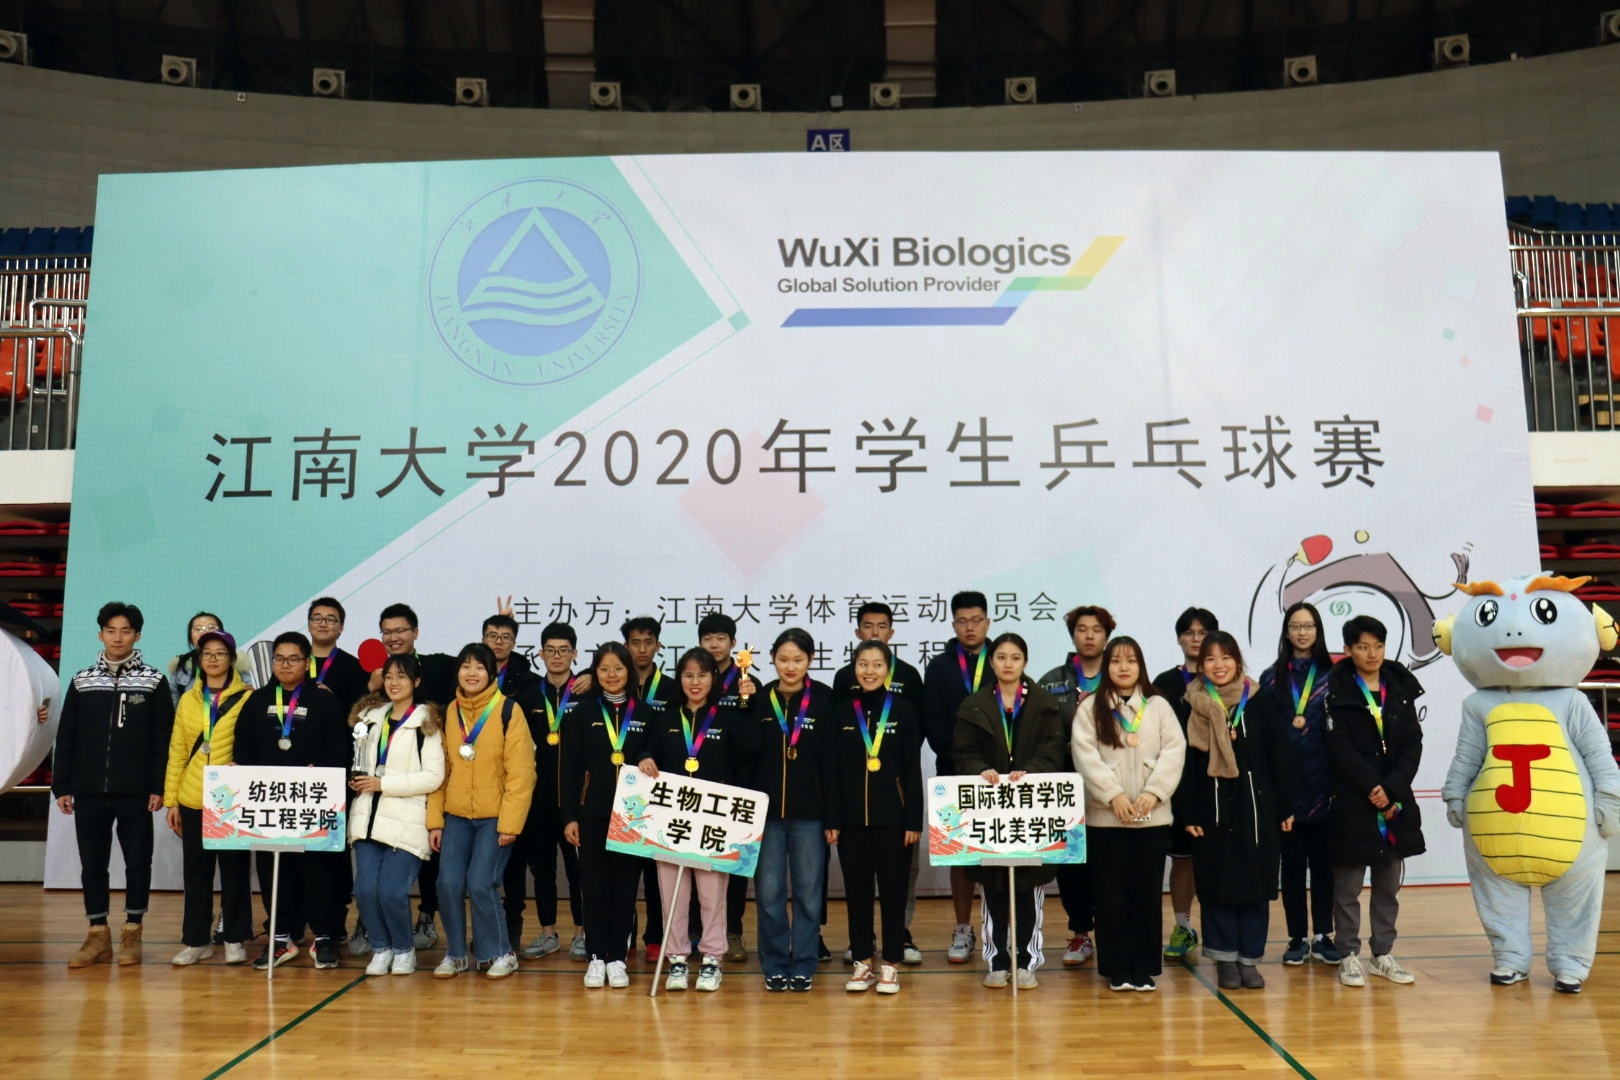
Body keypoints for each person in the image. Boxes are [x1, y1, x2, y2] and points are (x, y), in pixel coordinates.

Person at [54, 601, 175, 968]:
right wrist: (62, 786)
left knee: (138, 862)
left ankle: (132, 931)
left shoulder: (153, 681)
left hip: (136, 791)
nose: (118, 637)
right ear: (100, 634)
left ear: (137, 636)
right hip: (88, 789)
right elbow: (67, 735)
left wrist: (158, 786)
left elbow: (163, 739)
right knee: (93, 864)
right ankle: (97, 934)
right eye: (111, 631)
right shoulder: (82, 680)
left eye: (125, 631)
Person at [1174, 631, 1296, 990]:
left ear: (1237, 661)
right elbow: (1183, 765)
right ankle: (1225, 960)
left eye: (1226, 657)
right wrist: (1189, 813)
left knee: (1255, 886)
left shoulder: (1258, 700)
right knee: (1217, 885)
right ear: (1201, 665)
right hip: (1210, 809)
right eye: (1210, 659)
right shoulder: (1190, 705)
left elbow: (1281, 756)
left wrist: (1286, 806)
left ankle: (1249, 960)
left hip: (1256, 809)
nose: (1219, 665)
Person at [954, 631, 1068, 989]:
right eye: (1001, 657)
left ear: (1025, 662)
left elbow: (1054, 749)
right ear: (991, 662)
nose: (1008, 663)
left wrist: (1031, 771)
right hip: (990, 814)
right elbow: (962, 752)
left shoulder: (1044, 703)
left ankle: (1027, 963)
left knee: (1028, 890)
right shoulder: (974, 705)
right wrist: (979, 770)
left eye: (1015, 658)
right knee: (993, 890)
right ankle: (996, 962)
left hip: (1029, 812)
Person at [1071, 636, 1185, 991]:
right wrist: (1113, 795)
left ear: (1141, 666)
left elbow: (1174, 751)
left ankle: (1144, 967)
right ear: (1107, 666)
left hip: (1151, 817)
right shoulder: (1090, 707)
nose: (1124, 667)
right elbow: (1085, 756)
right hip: (1107, 819)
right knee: (1110, 895)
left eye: (1131, 661)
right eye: (1117, 661)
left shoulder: (1158, 705)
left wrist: (1153, 793)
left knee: (1146, 894)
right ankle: (1117, 968)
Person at [233, 631, 349, 970]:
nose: (285, 665)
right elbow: (243, 744)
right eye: (279, 659)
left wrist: (319, 768)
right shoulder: (257, 700)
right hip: (268, 804)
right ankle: (281, 938)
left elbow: (338, 747)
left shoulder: (324, 699)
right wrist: (244, 772)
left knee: (318, 870)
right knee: (274, 870)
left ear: (306, 662)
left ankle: (323, 937)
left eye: (293, 659)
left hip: (311, 802)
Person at [636, 647, 747, 992]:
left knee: (712, 895)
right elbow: (646, 749)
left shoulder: (727, 717)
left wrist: (748, 703)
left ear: (714, 678)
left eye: (702, 675)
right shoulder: (667, 718)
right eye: (688, 675)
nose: (694, 682)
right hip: (671, 820)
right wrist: (645, 757)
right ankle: (677, 959)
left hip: (713, 820)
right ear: (679, 679)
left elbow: (751, 749)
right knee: (673, 894)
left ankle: (712, 959)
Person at [1325, 615, 1425, 989]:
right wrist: (1373, 788)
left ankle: (1382, 954)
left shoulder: (1399, 687)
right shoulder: (1336, 691)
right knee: (1348, 887)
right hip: (1353, 802)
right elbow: (1340, 749)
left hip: (1394, 804)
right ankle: (1348, 955)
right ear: (1348, 650)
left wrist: (1392, 789)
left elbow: (1412, 744)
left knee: (1388, 886)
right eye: (1363, 647)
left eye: (1378, 646)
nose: (1372, 654)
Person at [427, 643, 535, 980]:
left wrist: (510, 824)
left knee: (481, 883)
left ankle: (501, 952)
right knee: (447, 884)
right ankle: (456, 954)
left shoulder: (508, 710)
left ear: (492, 673)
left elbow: (522, 773)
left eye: (479, 667)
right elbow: (441, 770)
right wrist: (435, 821)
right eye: (466, 666)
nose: (471, 673)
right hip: (456, 816)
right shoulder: (450, 711)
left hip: (495, 817)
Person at [827, 601, 925, 966]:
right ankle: (862, 960)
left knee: (894, 892)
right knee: (857, 893)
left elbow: (912, 767)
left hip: (894, 819)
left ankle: (893, 962)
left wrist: (913, 819)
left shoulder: (903, 710)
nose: (870, 671)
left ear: (888, 669)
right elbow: (834, 770)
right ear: (854, 669)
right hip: (852, 820)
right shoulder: (842, 712)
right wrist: (833, 819)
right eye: (863, 665)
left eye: (877, 665)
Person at [744, 627, 838, 991]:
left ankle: (803, 963)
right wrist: (746, 706)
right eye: (783, 659)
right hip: (766, 817)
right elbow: (748, 750)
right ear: (771, 659)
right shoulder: (759, 699)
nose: (790, 666)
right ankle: (774, 964)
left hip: (810, 818)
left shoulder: (823, 703)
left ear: (810, 660)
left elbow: (830, 766)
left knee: (808, 896)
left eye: (798, 659)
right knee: (768, 896)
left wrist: (832, 817)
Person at [348, 652, 447, 977]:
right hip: (367, 819)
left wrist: (383, 784)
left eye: (401, 676)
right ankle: (381, 948)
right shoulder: (369, 718)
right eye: (389, 676)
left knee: (391, 891)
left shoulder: (426, 723)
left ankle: (404, 950)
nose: (394, 682)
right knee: (365, 891)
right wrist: (357, 779)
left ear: (416, 682)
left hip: (407, 822)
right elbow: (359, 761)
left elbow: (434, 777)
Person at [163, 629, 253, 966]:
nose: (213, 659)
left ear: (232, 659)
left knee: (234, 872)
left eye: (220, 653)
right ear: (199, 660)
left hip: (230, 798)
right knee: (196, 874)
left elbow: (254, 746)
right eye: (207, 653)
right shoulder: (189, 700)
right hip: (192, 797)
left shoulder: (247, 698)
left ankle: (234, 938)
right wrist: (172, 801)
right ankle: (196, 941)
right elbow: (177, 751)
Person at [1258, 601, 1341, 967]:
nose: (1302, 632)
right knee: (1291, 868)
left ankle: (1323, 935)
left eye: (1308, 626)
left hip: (1327, 785)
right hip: (1287, 790)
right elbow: (1265, 737)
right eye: (1295, 626)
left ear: (1318, 631)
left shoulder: (1335, 675)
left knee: (1324, 867)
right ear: (1286, 632)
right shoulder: (1270, 678)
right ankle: (1296, 937)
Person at [371, 603, 458, 950]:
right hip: (382, 783)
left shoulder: (439, 665)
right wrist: (371, 687)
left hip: (429, 776)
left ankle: (427, 915)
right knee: (378, 854)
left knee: (429, 852)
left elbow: (480, 666)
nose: (393, 637)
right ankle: (372, 921)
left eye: (400, 630)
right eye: (387, 631)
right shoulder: (376, 675)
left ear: (415, 633)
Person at [563, 642, 649, 989]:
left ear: (629, 671)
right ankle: (596, 957)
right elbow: (568, 768)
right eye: (604, 669)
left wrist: (646, 755)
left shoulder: (645, 713)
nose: (611, 675)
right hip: (591, 815)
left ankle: (618, 958)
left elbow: (654, 753)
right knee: (594, 890)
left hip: (633, 817)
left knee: (625, 892)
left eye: (618, 668)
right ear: (594, 672)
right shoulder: (582, 712)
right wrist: (570, 816)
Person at [1038, 604, 1114, 967]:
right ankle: (1080, 933)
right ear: (1072, 635)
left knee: (1108, 862)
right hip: (1066, 787)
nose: (1089, 636)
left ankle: (1113, 934)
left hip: (1111, 786)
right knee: (1071, 865)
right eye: (1082, 629)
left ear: (1107, 636)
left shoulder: (1121, 674)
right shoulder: (1052, 681)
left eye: (1096, 630)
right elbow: (1038, 733)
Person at [922, 590, 993, 963]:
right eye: (963, 621)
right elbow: (933, 723)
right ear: (953, 625)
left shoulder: (1002, 658)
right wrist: (967, 762)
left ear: (987, 622)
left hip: (998, 776)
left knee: (997, 854)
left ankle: (998, 929)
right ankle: (963, 928)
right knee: (961, 854)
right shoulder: (939, 667)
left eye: (976, 620)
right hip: (955, 773)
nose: (970, 627)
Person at [508, 621, 586, 961]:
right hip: (536, 801)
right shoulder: (527, 697)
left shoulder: (586, 694)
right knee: (542, 870)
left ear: (574, 654)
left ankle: (582, 934)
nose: (557, 656)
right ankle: (548, 933)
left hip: (575, 802)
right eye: (551, 650)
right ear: (540, 654)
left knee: (578, 870)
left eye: (563, 650)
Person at [304, 596, 370, 957]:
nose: (323, 623)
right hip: (297, 773)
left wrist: (333, 702)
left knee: (333, 849)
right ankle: (298, 921)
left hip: (335, 773)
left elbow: (360, 721)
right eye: (317, 618)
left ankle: (335, 920)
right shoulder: (294, 661)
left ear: (341, 627)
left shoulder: (352, 667)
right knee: (298, 848)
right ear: (309, 624)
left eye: (331, 619)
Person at [1152, 605, 1218, 960]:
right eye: (1189, 633)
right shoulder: (1164, 682)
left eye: (1203, 633)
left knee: (1218, 859)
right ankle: (1183, 927)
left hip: (1220, 782)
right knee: (1183, 859)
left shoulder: (1224, 677)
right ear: (1179, 638)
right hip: (1179, 782)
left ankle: (1220, 931)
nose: (1196, 639)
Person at [698, 611, 756, 964]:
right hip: (698, 786)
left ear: (733, 643)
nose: (714, 644)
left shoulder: (748, 681)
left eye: (721, 638)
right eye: (708, 638)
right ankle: (700, 933)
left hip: (738, 787)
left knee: (733, 863)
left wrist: (751, 700)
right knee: (697, 861)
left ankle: (732, 930)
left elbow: (757, 735)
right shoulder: (693, 678)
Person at [623, 615, 671, 964]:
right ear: (626, 646)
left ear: (657, 645)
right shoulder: (613, 682)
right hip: (622, 791)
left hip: (659, 790)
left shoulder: (671, 688)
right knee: (624, 871)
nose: (642, 649)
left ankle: (656, 936)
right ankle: (624, 935)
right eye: (635, 642)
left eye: (648, 642)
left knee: (656, 873)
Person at [166, 611, 224, 707]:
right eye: (198, 629)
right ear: (190, 637)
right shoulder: (181, 665)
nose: (204, 632)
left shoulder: (235, 663)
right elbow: (172, 701)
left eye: (211, 627)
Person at [483, 612, 538, 695]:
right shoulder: (469, 674)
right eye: (493, 636)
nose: (498, 642)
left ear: (513, 644)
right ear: (483, 641)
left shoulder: (530, 682)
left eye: (505, 637)